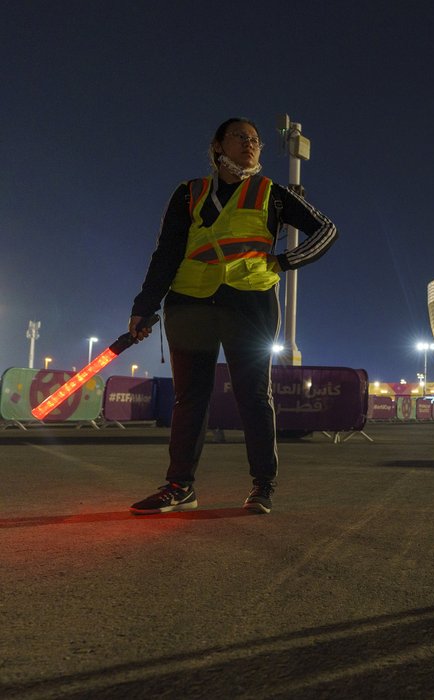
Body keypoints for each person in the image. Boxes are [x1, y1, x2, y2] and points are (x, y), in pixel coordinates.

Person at [128, 117, 337, 515]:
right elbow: (166, 253)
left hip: (251, 302)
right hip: (190, 302)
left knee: (255, 396)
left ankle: (263, 486)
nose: (251, 144)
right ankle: (179, 487)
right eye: (241, 137)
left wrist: (284, 260)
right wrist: (144, 306)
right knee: (189, 398)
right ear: (218, 146)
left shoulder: (272, 194)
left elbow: (326, 230)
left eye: (256, 140)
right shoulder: (189, 193)